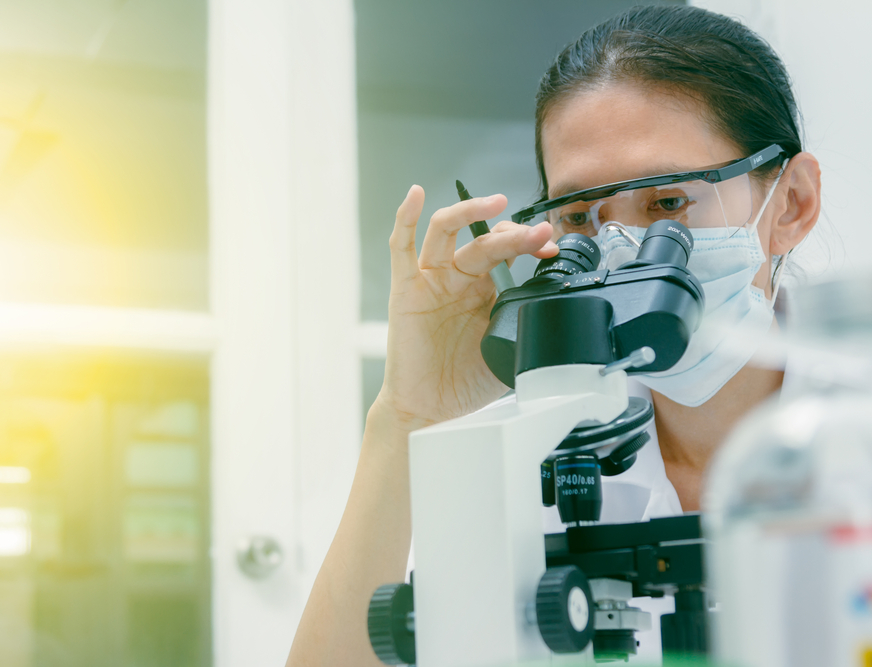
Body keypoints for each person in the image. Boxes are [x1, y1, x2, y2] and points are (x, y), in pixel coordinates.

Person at [286, 5, 821, 666]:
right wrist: (406, 417)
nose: (624, 250)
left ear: (792, 203)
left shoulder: (865, 434)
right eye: (578, 216)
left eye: (668, 205)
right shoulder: (529, 449)